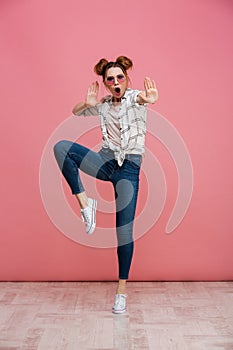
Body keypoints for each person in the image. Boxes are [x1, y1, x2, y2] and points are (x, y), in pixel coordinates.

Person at [53, 56, 158, 314]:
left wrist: (150, 98)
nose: (115, 82)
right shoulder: (102, 104)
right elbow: (75, 111)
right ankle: (85, 205)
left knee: (123, 233)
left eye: (119, 77)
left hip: (129, 170)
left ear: (126, 80)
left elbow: (144, 99)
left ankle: (121, 292)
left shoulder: (134, 98)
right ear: (105, 83)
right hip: (105, 162)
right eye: (110, 79)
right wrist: (85, 104)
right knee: (62, 148)